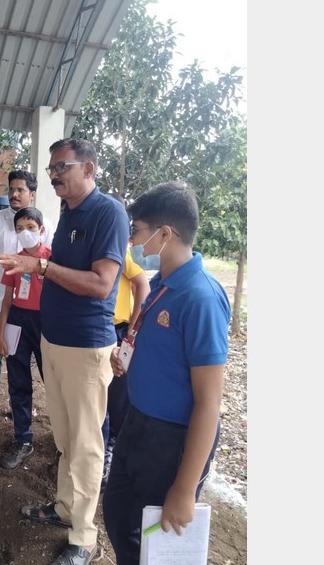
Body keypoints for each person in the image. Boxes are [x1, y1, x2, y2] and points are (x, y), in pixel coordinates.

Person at [0, 138, 129, 565]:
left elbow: (102, 284)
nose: (53, 174)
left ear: (88, 169)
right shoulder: (68, 213)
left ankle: (84, 538)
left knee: (87, 443)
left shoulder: (108, 212)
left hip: (86, 348)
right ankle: (66, 509)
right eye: (51, 168)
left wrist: (42, 267)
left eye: (61, 167)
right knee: (67, 437)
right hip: (55, 342)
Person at [102, 181, 231, 565]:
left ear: (165, 234)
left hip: (171, 441)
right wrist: (127, 357)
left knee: (156, 542)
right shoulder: (160, 285)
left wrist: (184, 487)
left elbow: (209, 403)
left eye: (136, 231)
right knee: (119, 515)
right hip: (137, 424)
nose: (131, 242)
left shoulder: (200, 297)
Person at [0, 171, 53, 438]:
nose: (14, 194)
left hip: (37, 313)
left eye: (20, 189)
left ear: (32, 193)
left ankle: (56, 425)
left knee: (46, 367)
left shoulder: (46, 224)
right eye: (11, 189)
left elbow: (51, 267)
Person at [0, 206, 51, 469]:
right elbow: (7, 299)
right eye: (19, 229)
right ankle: (23, 439)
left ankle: (62, 441)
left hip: (46, 323)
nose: (24, 233)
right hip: (18, 319)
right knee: (18, 380)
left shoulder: (51, 260)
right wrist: (1, 332)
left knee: (53, 381)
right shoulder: (13, 260)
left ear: (41, 230)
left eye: (30, 227)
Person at [100, 246, 149, 490]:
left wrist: (132, 328)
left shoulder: (121, 249)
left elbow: (142, 285)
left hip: (117, 330)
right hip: (94, 329)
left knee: (116, 394)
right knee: (98, 394)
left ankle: (109, 449)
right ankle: (98, 446)